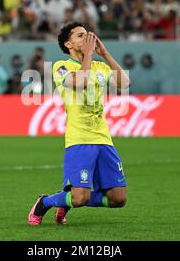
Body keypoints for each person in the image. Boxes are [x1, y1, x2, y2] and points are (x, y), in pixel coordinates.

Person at [28, 22, 131, 226]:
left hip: (103, 138)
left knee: (119, 199)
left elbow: (125, 83)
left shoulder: (100, 66)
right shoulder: (61, 66)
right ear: (68, 44)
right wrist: (89, 56)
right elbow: (80, 82)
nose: (87, 38)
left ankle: (65, 199)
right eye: (80, 36)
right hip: (79, 139)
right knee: (80, 199)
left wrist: (106, 54)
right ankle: (45, 202)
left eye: (88, 35)